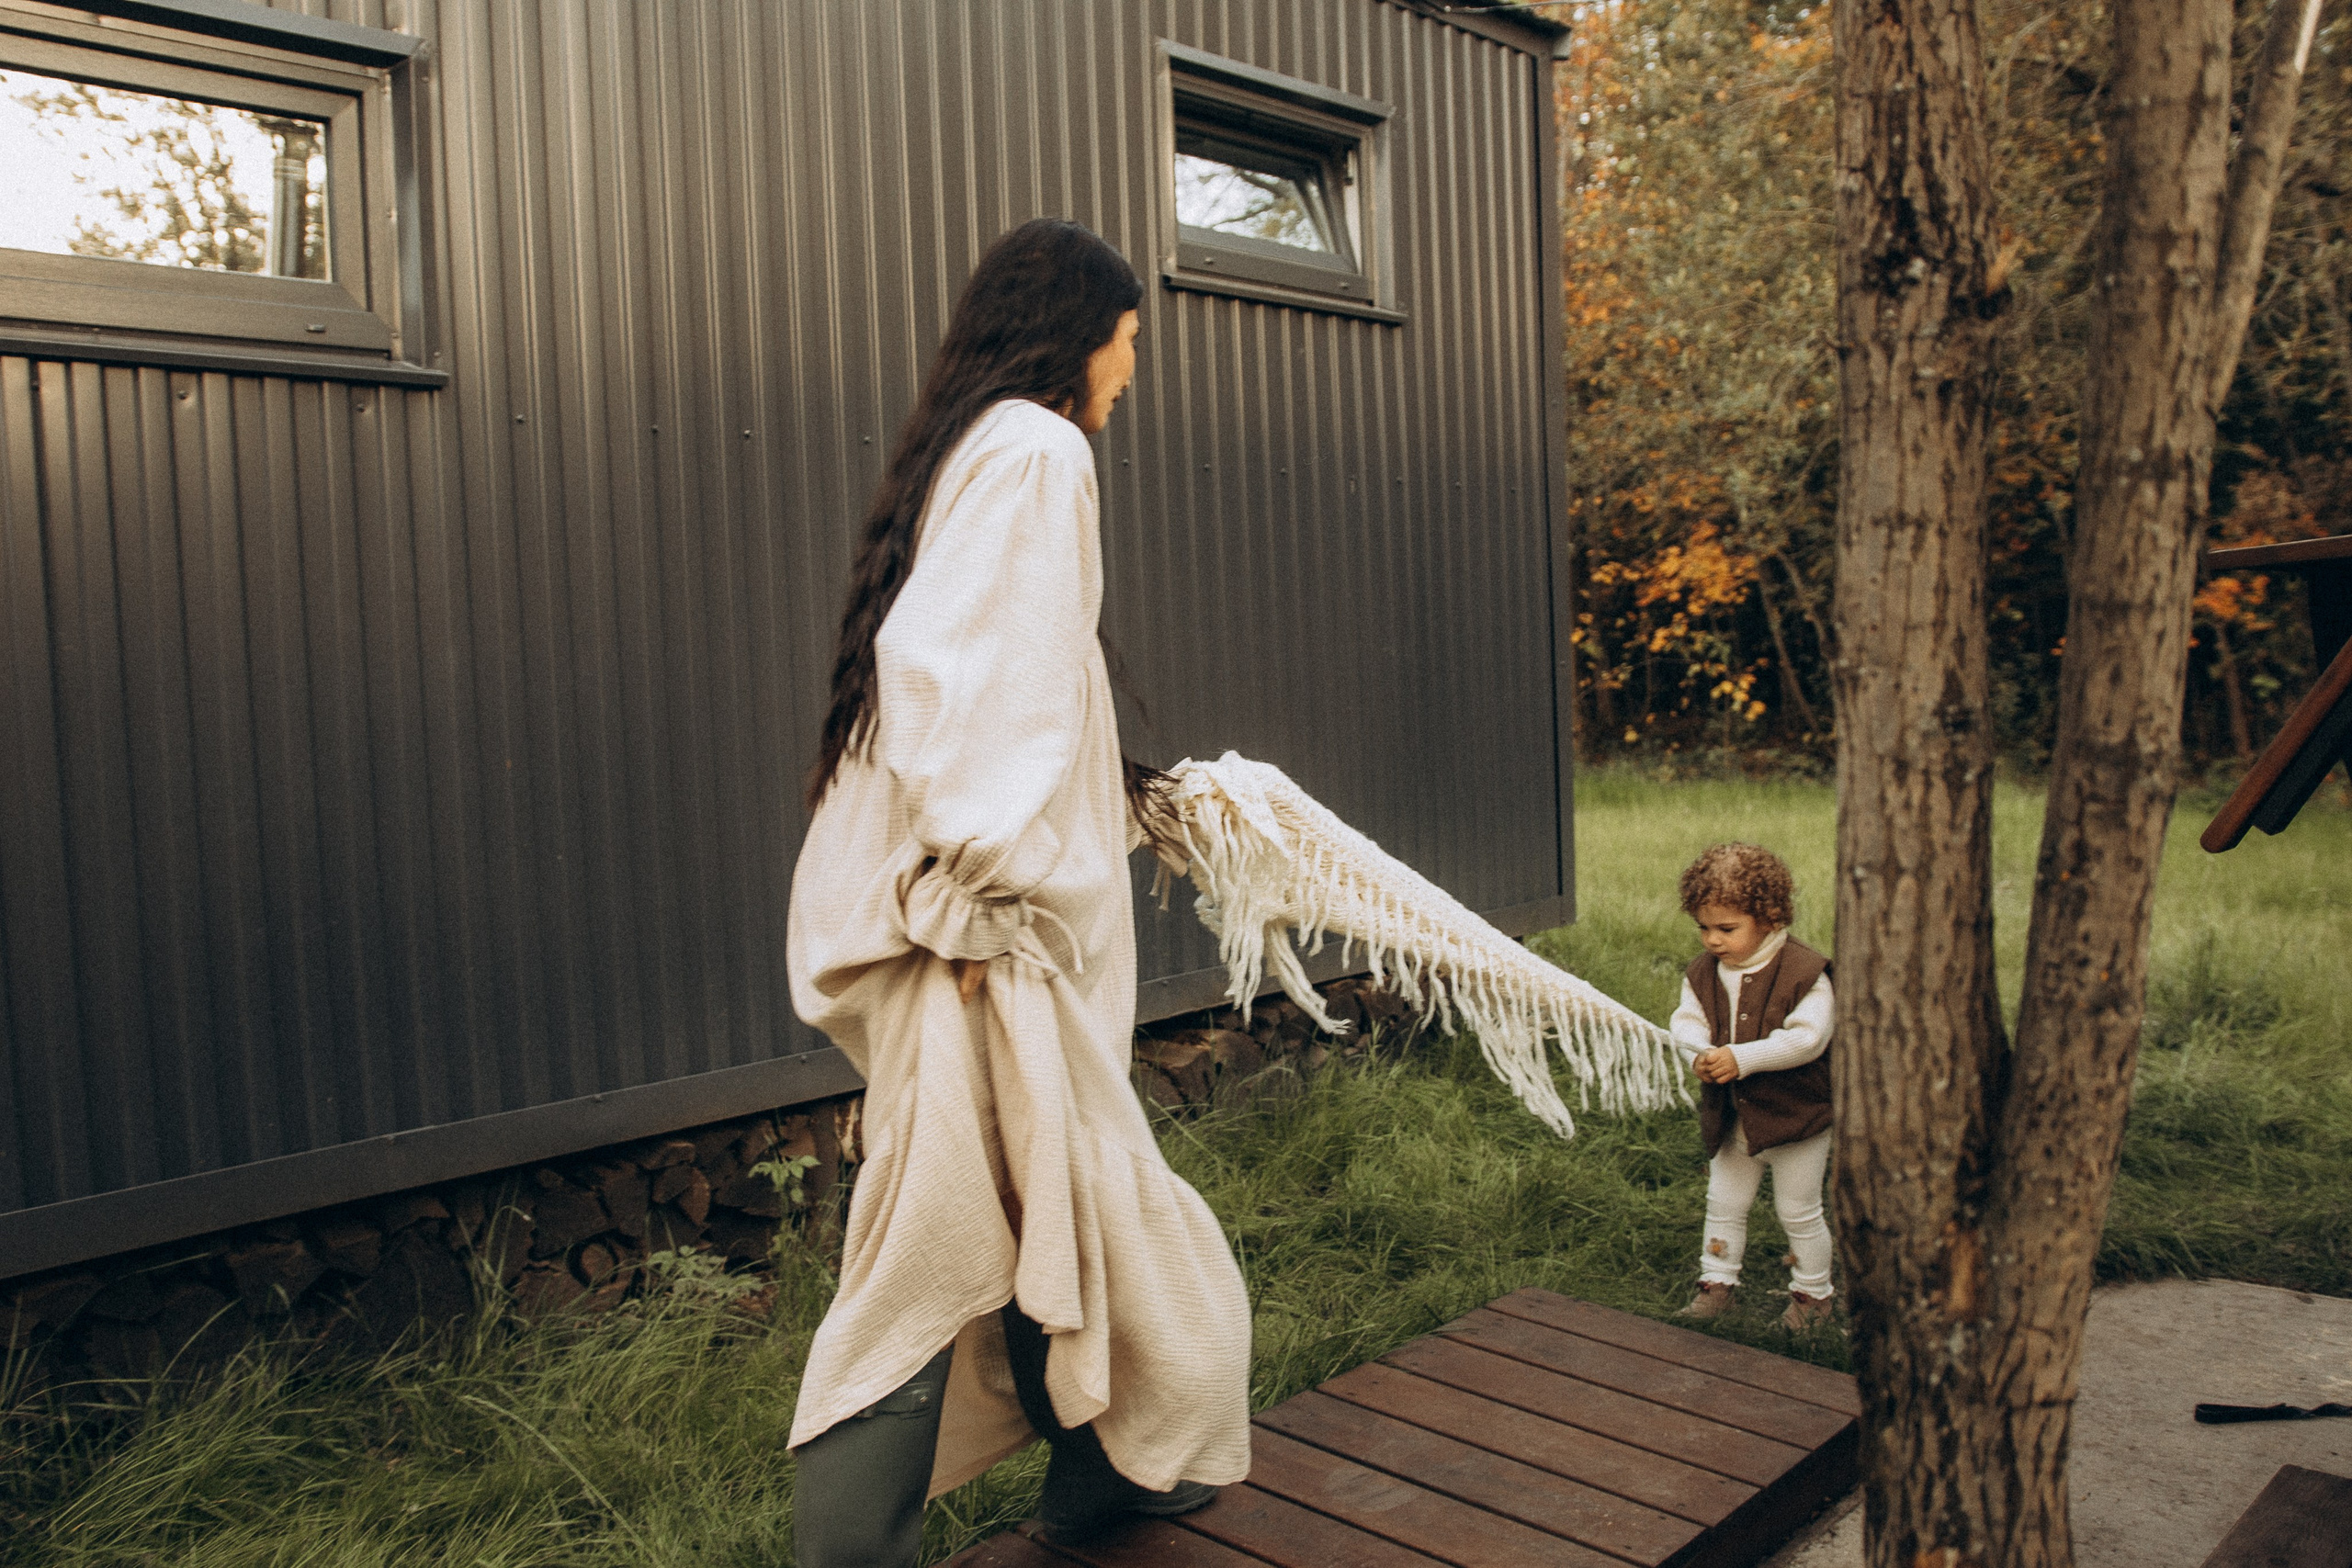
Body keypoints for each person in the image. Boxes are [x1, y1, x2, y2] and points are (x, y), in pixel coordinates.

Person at [784, 219, 1250, 1568]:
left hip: (971, 927)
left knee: (1054, 1204)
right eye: (1129, 338)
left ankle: (1109, 1480)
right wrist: (982, 890)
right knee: (933, 1247)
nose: (1133, 368)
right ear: (1076, 336)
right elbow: (961, 677)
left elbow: (1001, 675)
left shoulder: (977, 450)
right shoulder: (1040, 449)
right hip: (975, 943)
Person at [1668, 842, 1838, 1331]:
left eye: (1727, 929)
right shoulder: (1703, 973)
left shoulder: (1805, 973)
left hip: (1797, 1119)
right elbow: (1686, 1023)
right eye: (1703, 928)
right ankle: (1716, 1283)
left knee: (1798, 1210)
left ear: (1769, 918)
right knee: (1724, 1203)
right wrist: (1699, 1053)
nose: (1712, 941)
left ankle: (1813, 1296)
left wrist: (1742, 1058)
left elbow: (1808, 1039)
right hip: (1733, 1117)